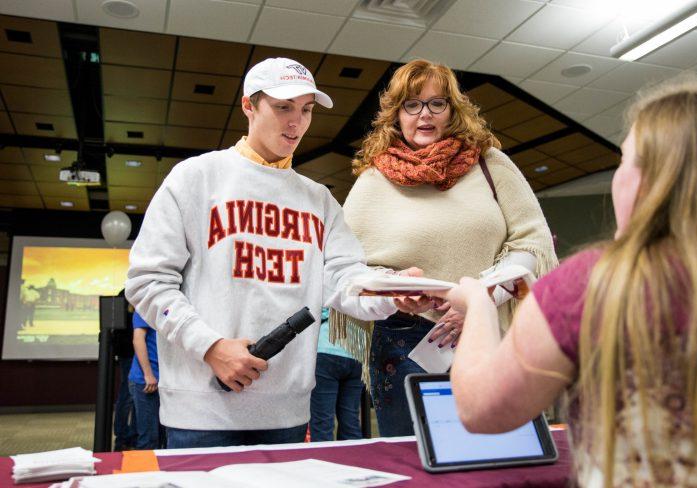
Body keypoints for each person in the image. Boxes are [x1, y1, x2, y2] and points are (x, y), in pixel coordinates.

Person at [439, 78, 697, 487]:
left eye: (624, 161)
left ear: (656, 180)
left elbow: (481, 408)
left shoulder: (592, 286)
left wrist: (480, 303)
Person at [126, 57, 429, 449]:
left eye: (306, 110)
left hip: (287, 409)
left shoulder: (318, 199)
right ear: (248, 106)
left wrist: (389, 291)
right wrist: (210, 347)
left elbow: (343, 280)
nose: (297, 123)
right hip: (201, 408)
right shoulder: (195, 178)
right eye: (283, 107)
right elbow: (147, 282)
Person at [332, 59, 558, 437]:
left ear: (453, 110)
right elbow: (346, 271)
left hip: (489, 327)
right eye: (412, 104)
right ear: (395, 114)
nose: (425, 114)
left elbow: (531, 243)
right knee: (412, 459)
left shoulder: (490, 163)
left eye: (437, 103)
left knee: (496, 450)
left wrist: (480, 299)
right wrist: (393, 292)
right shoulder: (373, 178)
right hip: (403, 341)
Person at [309, 308, 363, 441]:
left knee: (323, 423)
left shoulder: (325, 288)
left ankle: (323, 460)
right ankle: (353, 460)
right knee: (351, 421)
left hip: (326, 350)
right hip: (356, 354)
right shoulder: (358, 289)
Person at [128, 310, 162, 449]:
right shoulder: (145, 306)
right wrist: (148, 374)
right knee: (149, 439)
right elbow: (138, 339)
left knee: (161, 437)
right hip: (146, 381)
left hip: (163, 380)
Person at [112, 289, 137, 451]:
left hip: (130, 352)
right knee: (128, 396)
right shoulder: (128, 295)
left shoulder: (125, 293)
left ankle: (129, 436)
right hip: (130, 353)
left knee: (132, 397)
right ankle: (122, 437)